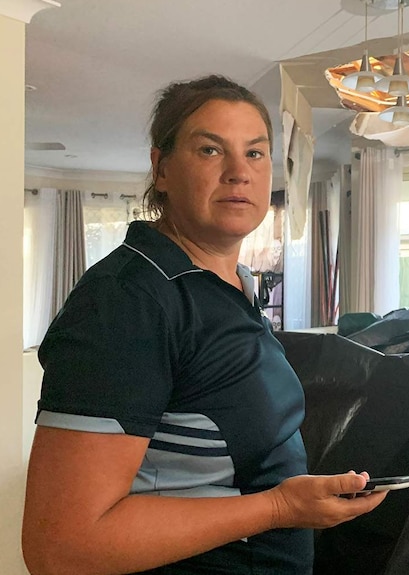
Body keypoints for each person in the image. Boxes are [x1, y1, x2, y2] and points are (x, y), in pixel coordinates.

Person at [22, 75, 386, 575]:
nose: (239, 172)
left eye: (255, 153)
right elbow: (61, 546)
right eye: (211, 150)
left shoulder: (228, 284)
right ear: (162, 167)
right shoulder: (129, 299)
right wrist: (280, 508)